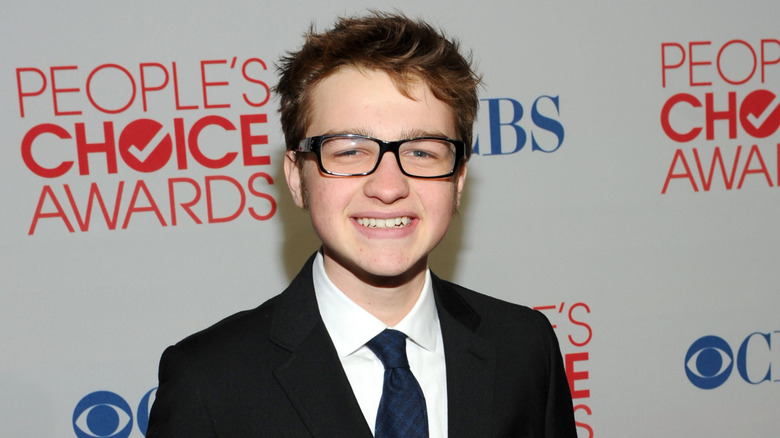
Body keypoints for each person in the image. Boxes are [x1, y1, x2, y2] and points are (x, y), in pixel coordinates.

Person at [146, 11, 576, 438]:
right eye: (349, 151)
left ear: (458, 179)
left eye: (423, 152)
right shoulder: (208, 382)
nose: (388, 187)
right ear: (297, 178)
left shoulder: (524, 348)